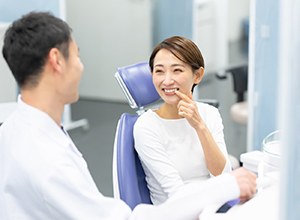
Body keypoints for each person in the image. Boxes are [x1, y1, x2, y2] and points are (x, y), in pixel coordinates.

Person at [0, 12, 256, 220]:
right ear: (57, 60)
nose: (81, 65)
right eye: (77, 55)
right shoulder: (47, 160)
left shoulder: (14, 129)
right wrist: (227, 186)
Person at [134, 36, 233, 205]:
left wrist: (200, 126)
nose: (167, 80)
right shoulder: (146, 126)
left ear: (198, 75)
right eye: (159, 71)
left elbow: (222, 176)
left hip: (214, 206)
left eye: (177, 70)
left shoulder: (209, 114)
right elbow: (176, 194)